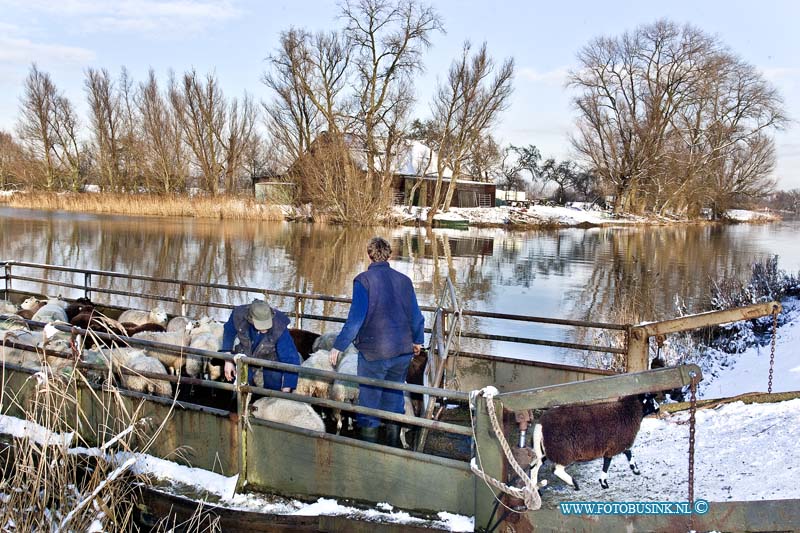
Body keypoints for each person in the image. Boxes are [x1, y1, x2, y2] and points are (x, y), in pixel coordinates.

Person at [329, 237, 424, 445]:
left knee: (369, 404)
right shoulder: (404, 281)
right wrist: (418, 341)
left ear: (369, 254)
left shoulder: (363, 281)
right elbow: (416, 317)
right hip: (401, 353)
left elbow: (355, 320)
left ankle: (369, 452)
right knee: (394, 399)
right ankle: (392, 448)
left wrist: (338, 345)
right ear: (389, 254)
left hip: (373, 354)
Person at [221, 299, 300, 392]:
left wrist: (287, 387)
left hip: (271, 355)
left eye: (267, 324)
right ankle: (242, 402)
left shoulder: (279, 325)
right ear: (250, 319)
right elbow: (229, 332)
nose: (265, 328)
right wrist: (227, 359)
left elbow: (290, 356)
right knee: (241, 385)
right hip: (245, 353)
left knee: (274, 383)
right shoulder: (239, 315)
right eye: (261, 324)